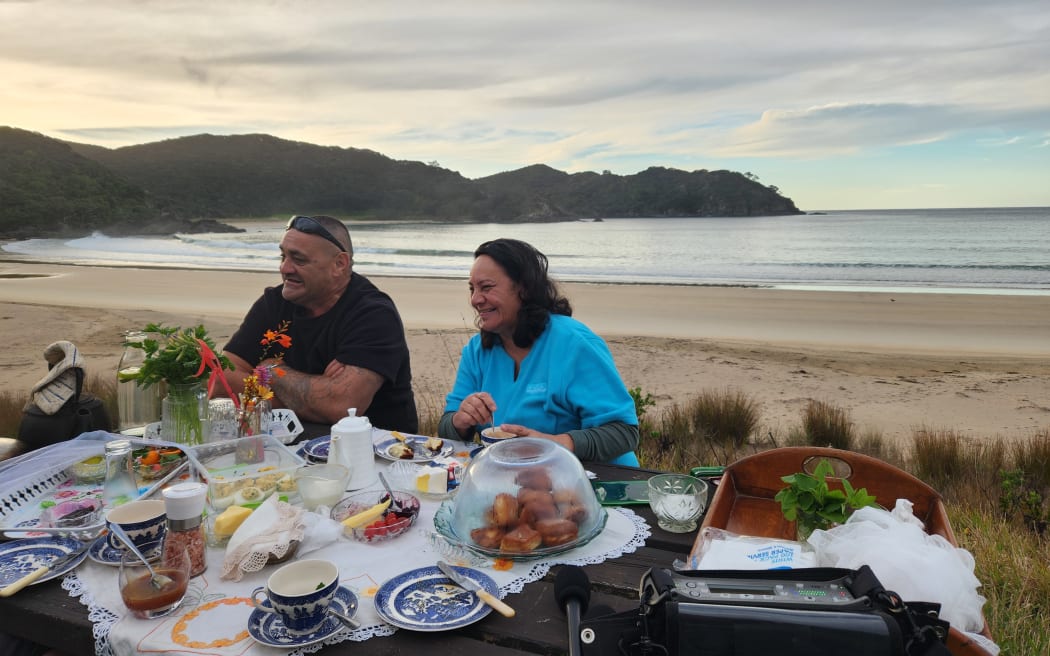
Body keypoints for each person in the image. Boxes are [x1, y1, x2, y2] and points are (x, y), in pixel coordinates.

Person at [438, 238, 639, 465]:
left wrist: (554, 444)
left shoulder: (574, 344)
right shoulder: (477, 351)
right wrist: (460, 420)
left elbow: (624, 432)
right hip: (522, 481)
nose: (475, 299)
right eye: (472, 289)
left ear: (523, 288)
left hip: (601, 482)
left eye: (486, 287)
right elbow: (447, 430)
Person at [223, 215, 417, 432]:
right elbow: (221, 377)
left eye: (299, 259)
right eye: (283, 256)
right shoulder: (275, 303)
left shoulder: (373, 313)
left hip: (377, 453)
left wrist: (272, 371)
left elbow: (341, 407)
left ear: (339, 264)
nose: (284, 268)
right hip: (287, 444)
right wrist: (301, 402)